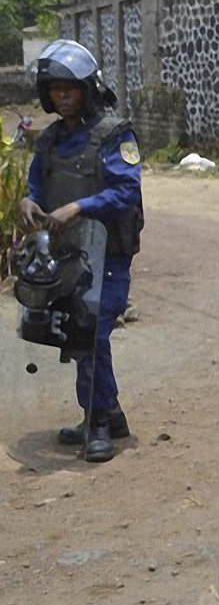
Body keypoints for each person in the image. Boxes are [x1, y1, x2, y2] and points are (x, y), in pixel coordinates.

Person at [18, 40, 143, 463]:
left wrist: (80, 207)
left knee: (91, 334)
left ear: (88, 88)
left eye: (70, 88)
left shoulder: (114, 133)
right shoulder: (50, 140)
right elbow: (37, 184)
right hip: (68, 255)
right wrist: (28, 202)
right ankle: (110, 413)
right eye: (55, 89)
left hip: (108, 255)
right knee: (76, 335)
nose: (62, 95)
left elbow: (126, 192)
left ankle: (98, 423)